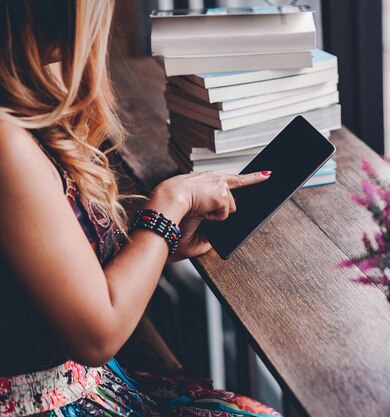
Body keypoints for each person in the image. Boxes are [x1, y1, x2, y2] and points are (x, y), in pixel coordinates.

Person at [0, 1, 280, 416]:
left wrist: (157, 243)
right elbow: (97, 336)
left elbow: (47, 278)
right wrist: (168, 206)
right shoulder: (7, 142)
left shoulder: (20, 105)